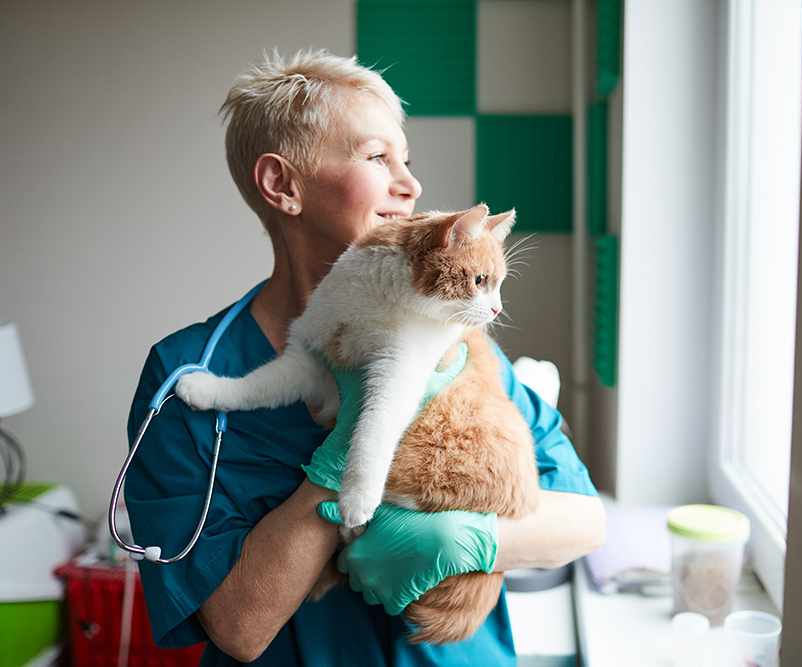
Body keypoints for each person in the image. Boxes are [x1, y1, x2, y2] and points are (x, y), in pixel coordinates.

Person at [125, 48, 605, 666]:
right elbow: (237, 629)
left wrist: (474, 539)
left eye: (408, 160)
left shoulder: (448, 335)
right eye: (378, 157)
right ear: (282, 185)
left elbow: (586, 520)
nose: (411, 185)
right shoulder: (187, 375)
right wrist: (341, 461)